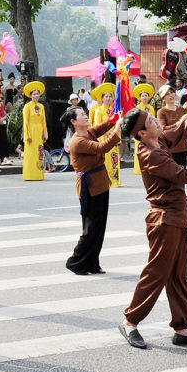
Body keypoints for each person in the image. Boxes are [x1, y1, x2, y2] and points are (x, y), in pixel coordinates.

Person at [117, 107, 187, 349]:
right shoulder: (150, 154)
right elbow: (182, 175)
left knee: (178, 274)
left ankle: (182, 327)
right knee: (157, 273)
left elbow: (179, 130)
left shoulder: (159, 141)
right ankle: (130, 321)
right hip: (163, 219)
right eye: (152, 120)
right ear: (142, 133)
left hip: (177, 215)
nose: (157, 121)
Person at [63, 105, 122, 275]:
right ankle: (75, 262)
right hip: (90, 188)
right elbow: (102, 148)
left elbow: (103, 126)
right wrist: (118, 129)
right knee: (90, 229)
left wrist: (114, 117)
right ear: (74, 122)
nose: (86, 116)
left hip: (100, 183)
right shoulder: (77, 141)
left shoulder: (87, 132)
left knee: (100, 227)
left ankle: (92, 263)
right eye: (82, 115)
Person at [88, 83, 121, 188]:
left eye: (110, 96)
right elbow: (98, 126)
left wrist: (115, 133)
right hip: (104, 138)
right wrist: (107, 133)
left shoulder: (114, 110)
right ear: (102, 98)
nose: (108, 98)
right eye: (106, 96)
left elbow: (118, 123)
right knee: (106, 158)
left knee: (114, 157)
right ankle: (106, 181)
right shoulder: (99, 110)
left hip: (114, 135)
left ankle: (115, 179)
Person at [156, 84, 187, 166]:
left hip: (182, 147)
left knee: (182, 175)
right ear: (163, 98)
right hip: (169, 149)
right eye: (167, 94)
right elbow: (163, 129)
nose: (171, 95)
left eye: (172, 92)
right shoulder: (161, 112)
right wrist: (179, 122)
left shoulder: (181, 109)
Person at [21, 81, 47, 180]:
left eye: (37, 94)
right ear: (30, 96)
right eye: (34, 94)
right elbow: (25, 122)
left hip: (39, 131)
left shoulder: (41, 107)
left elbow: (44, 121)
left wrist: (44, 133)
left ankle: (38, 174)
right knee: (30, 153)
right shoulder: (27, 107)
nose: (36, 96)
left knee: (39, 152)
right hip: (31, 131)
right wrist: (27, 135)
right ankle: (29, 175)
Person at [132, 83, 155, 174]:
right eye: (143, 96)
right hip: (139, 131)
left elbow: (153, 118)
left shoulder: (151, 107)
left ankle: (148, 167)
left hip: (148, 131)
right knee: (139, 148)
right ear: (140, 97)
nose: (144, 97)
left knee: (149, 149)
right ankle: (139, 169)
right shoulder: (137, 108)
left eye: (146, 95)